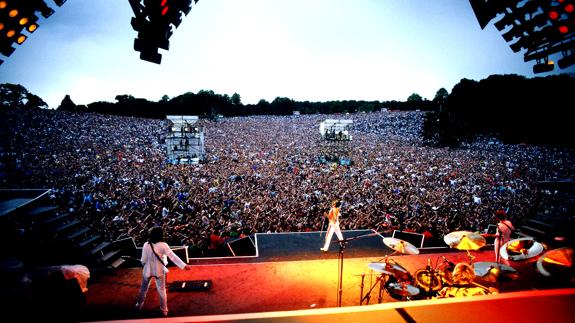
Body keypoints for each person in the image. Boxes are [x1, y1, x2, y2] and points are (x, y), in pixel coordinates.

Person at [135, 226, 191, 317]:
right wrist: (184, 265)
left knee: (143, 289)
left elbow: (143, 260)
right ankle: (164, 310)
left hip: (147, 271)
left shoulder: (146, 244)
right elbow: (173, 257)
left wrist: (145, 264)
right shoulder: (163, 245)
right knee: (161, 290)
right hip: (159, 271)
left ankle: (138, 306)